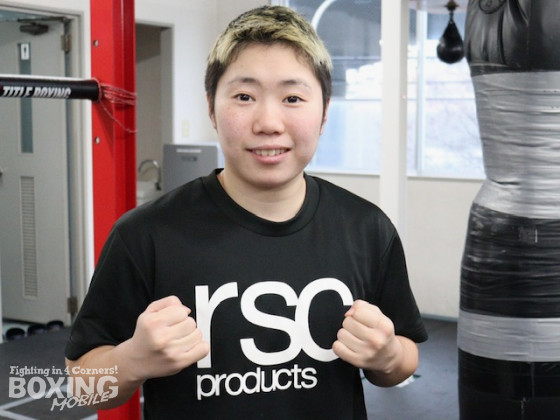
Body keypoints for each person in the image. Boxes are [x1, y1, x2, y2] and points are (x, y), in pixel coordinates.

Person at [65, 5, 427, 419]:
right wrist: (133, 360)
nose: (268, 123)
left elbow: (405, 356)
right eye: (244, 97)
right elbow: (81, 385)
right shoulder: (145, 235)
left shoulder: (366, 228)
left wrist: (387, 355)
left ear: (325, 111)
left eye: (293, 98)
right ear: (211, 108)